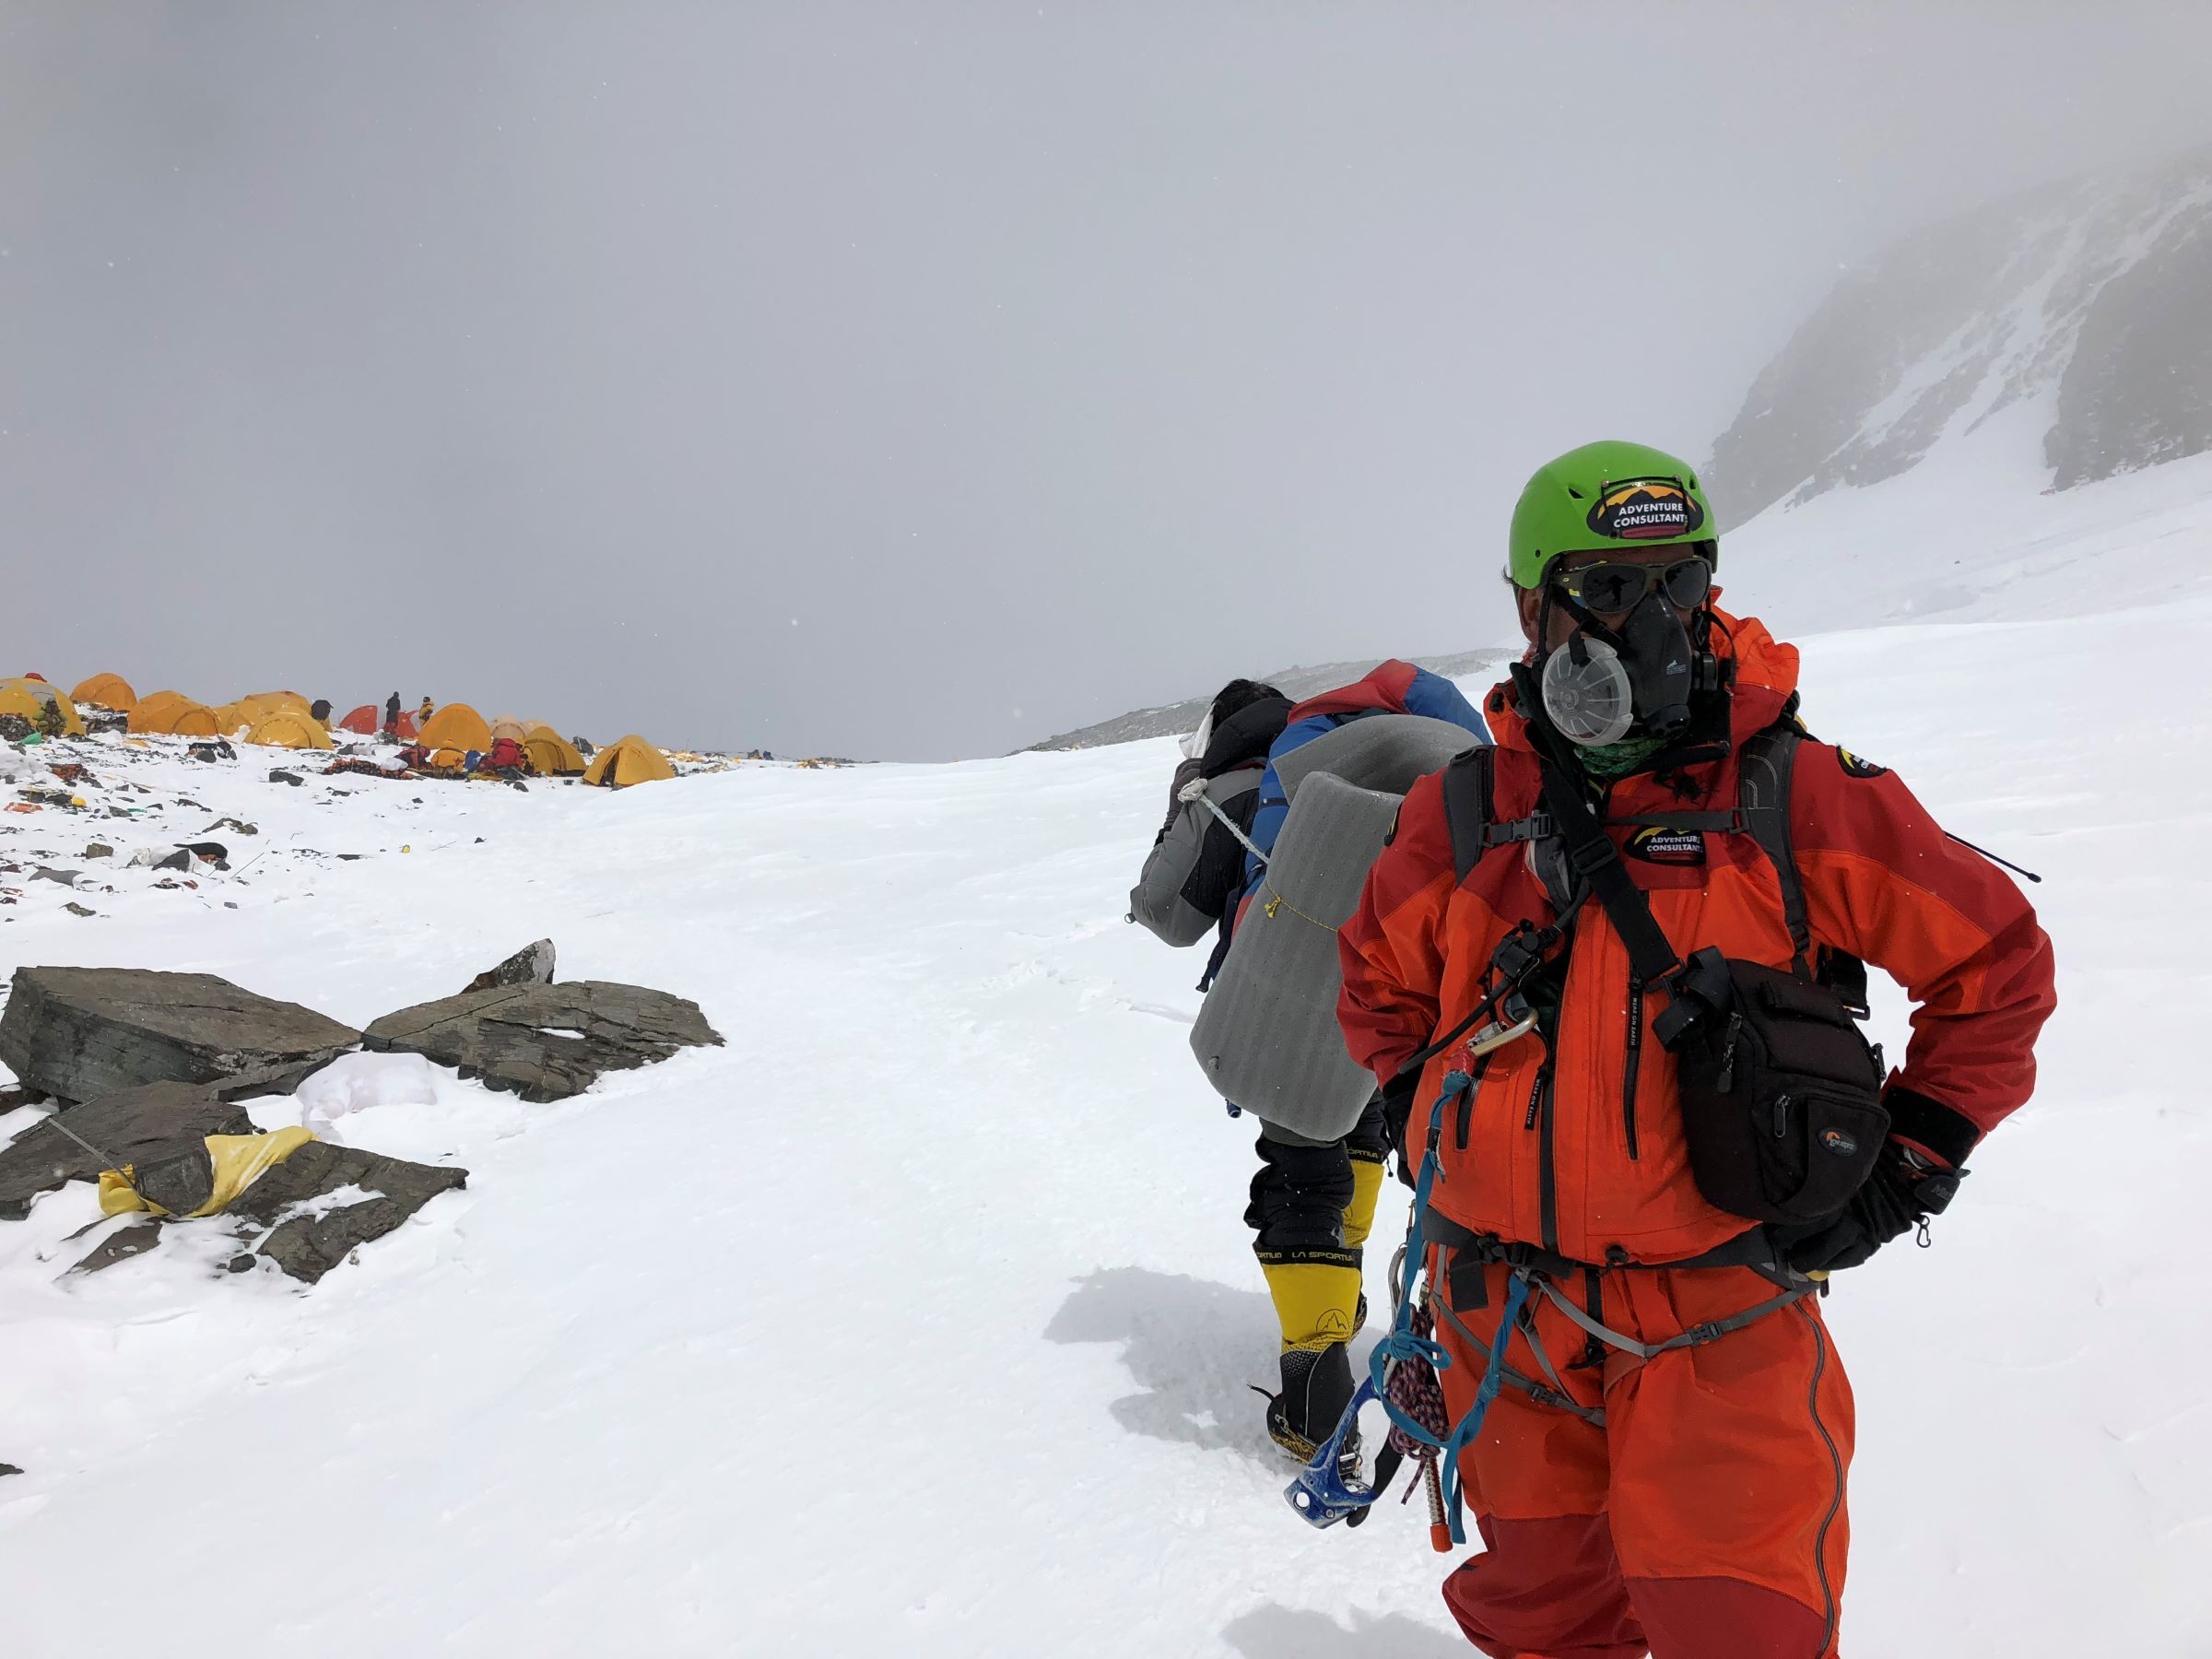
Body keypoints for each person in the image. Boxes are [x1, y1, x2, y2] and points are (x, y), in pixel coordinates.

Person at [1335, 441, 2055, 1658]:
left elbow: (1995, 969)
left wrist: (1914, 1161)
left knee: (1742, 1629)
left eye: (1679, 584)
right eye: (1609, 590)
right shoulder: (1462, 816)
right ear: (1532, 610)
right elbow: (1375, 982)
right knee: (1548, 1626)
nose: (1652, 623)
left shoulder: (1799, 799)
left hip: (1718, 1318)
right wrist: (1431, 1122)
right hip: (1503, 1314)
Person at [1221, 659, 1491, 1462]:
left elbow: (1171, 910)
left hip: (1291, 992)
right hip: (1409, 1004)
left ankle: (1316, 1392)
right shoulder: (1454, 753)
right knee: (1365, 1134)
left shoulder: (1277, 770)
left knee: (1303, 1167)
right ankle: (1353, 1308)